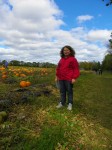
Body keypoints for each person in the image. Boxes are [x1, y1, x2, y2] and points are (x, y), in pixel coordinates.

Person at [55, 45, 80, 110]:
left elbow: (76, 69)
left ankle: (70, 104)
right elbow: (58, 68)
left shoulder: (73, 59)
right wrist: (57, 76)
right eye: (64, 50)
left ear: (70, 51)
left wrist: (74, 78)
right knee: (62, 91)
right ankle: (62, 103)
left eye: (67, 50)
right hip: (61, 78)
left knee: (69, 91)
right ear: (62, 52)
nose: (65, 51)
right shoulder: (61, 59)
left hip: (69, 78)